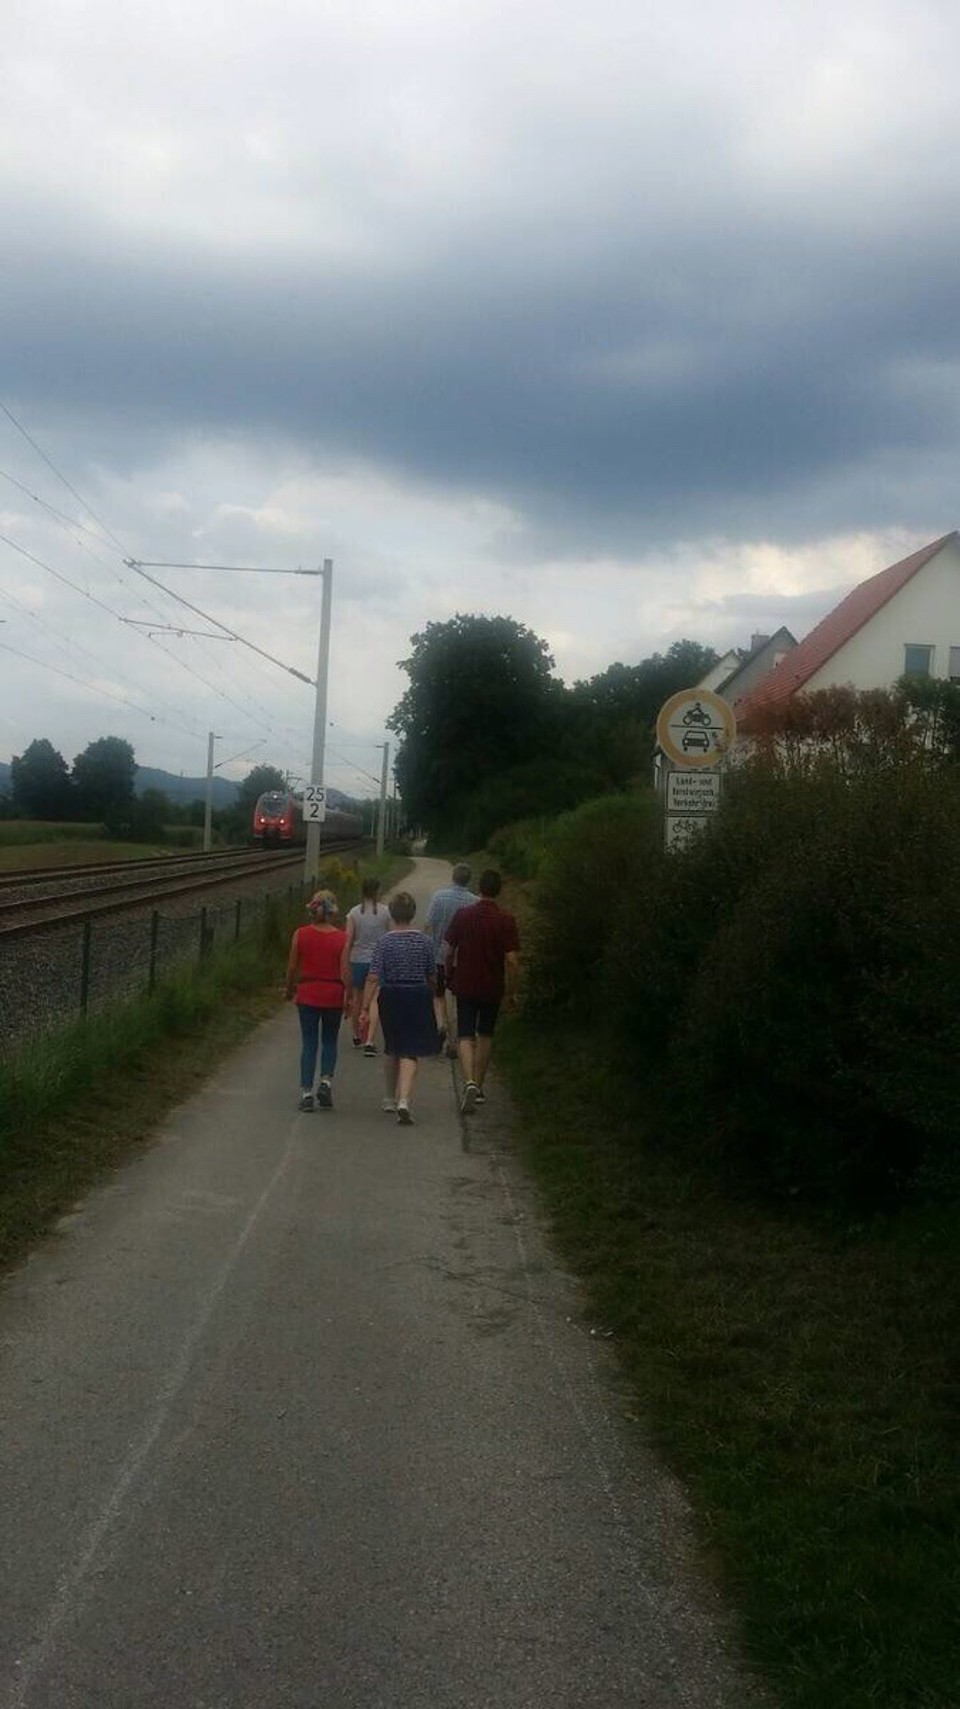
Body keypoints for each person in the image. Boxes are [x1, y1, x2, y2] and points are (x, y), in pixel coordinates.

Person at [445, 868, 519, 1115]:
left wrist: (448, 972)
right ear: (499, 890)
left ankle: (468, 1082)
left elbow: (449, 950)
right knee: (485, 1034)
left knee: (465, 1035)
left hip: (465, 982)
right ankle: (478, 1086)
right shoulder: (506, 920)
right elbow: (512, 960)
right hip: (492, 985)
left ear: (480, 888)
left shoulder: (463, 915)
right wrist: (512, 990)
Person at [360, 891, 439, 1125]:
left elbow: (373, 976)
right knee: (410, 1049)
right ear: (413, 913)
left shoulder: (385, 942)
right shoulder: (424, 941)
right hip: (417, 994)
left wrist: (365, 1006)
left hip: (392, 995)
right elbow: (432, 974)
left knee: (392, 1046)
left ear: (392, 915)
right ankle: (404, 1099)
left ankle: (388, 1097)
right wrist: (433, 994)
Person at [284, 888, 348, 1111]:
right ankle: (326, 1082)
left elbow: (292, 968)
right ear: (333, 911)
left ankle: (306, 1093)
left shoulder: (300, 934)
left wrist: (289, 989)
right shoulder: (342, 938)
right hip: (333, 995)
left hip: (308, 994)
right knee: (330, 1040)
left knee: (309, 1043)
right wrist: (348, 998)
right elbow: (345, 972)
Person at [425, 862, 477, 1055]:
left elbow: (429, 924)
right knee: (457, 999)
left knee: (438, 996)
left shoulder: (439, 897)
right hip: (462, 961)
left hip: (438, 956)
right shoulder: (475, 902)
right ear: (468, 880)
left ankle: (440, 1026)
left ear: (453, 877)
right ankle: (454, 1042)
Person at [341, 876, 391, 1056]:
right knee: (375, 1000)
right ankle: (370, 1039)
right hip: (378, 960)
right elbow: (390, 936)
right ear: (377, 891)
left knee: (357, 998)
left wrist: (345, 960)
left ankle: (356, 1035)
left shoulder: (354, 913)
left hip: (358, 959)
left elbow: (348, 940)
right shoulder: (386, 912)